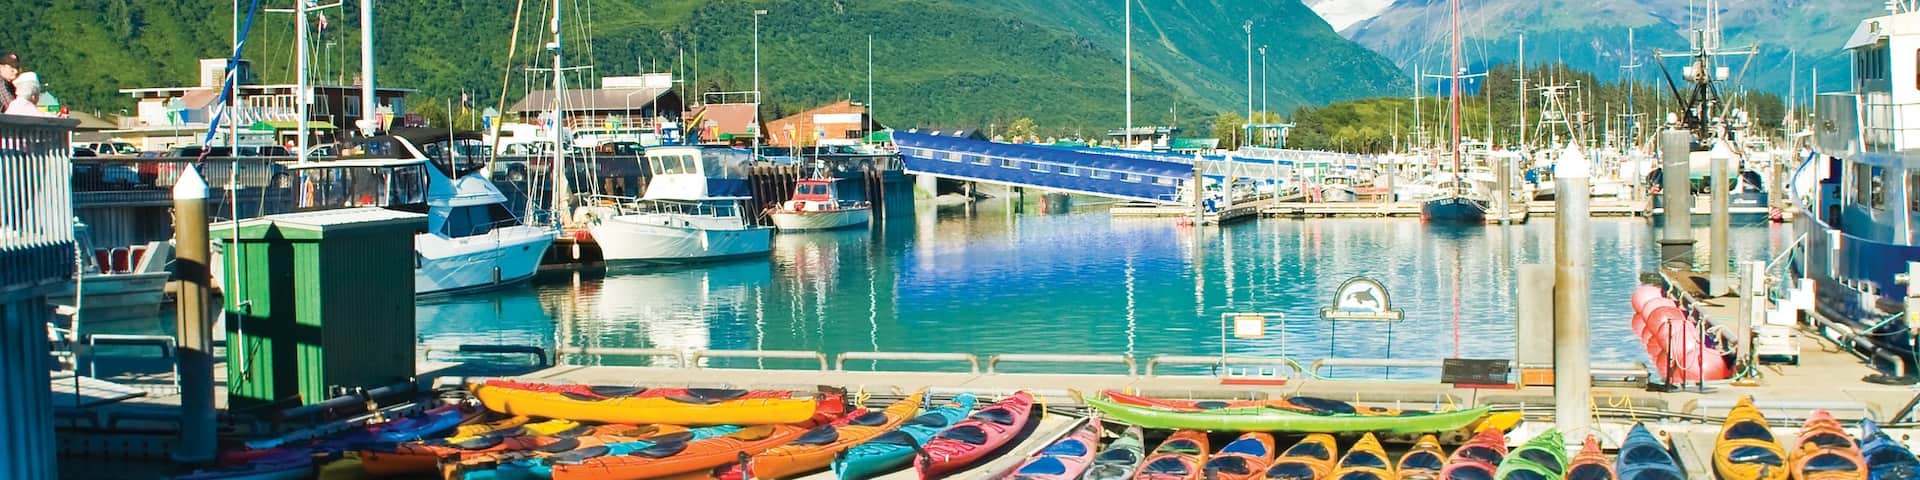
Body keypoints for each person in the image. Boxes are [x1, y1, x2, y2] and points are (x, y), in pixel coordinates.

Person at [1, 52, 49, 116]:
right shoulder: (2, 84)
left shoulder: (9, 83)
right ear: (1, 67)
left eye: (17, 68)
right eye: (11, 68)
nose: (16, 71)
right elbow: (16, 109)